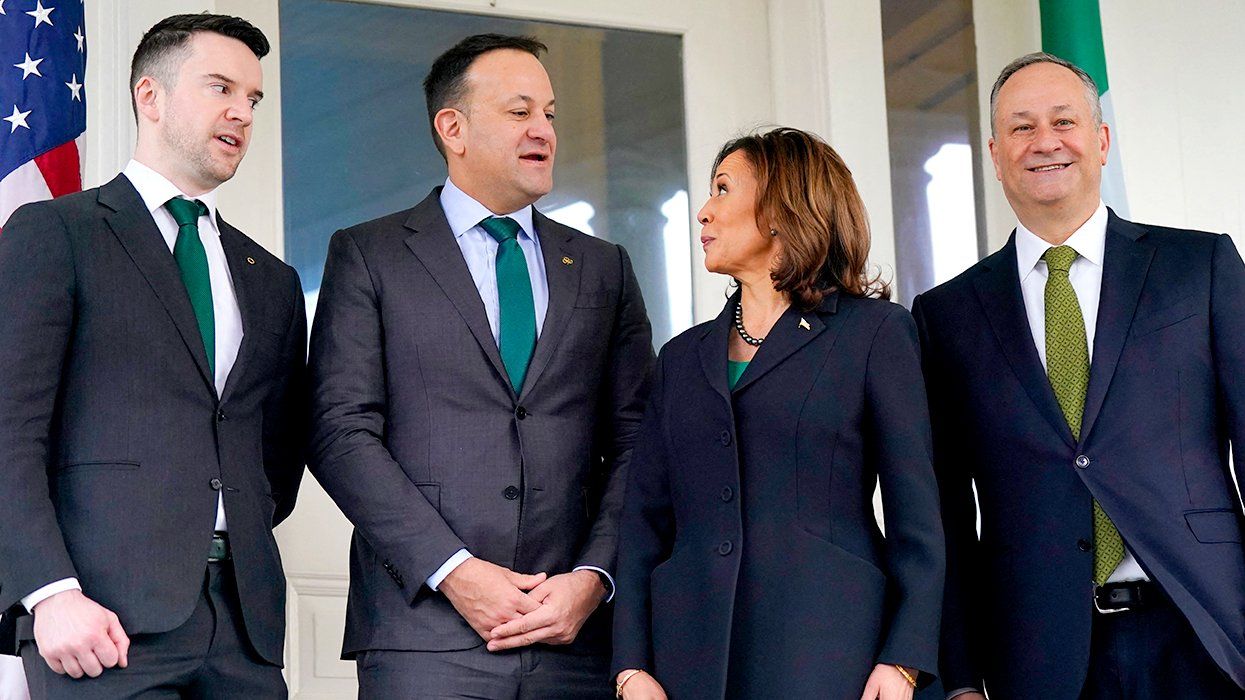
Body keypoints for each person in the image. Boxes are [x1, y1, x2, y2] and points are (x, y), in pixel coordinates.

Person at [307, 33, 654, 697]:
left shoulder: (604, 267)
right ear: (453, 128)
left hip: (576, 635)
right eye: (519, 111)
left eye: (549, 114)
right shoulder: (369, 255)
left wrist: (594, 577)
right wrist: (454, 570)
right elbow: (339, 431)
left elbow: (638, 438)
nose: (543, 131)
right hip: (424, 634)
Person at [913, 52, 1245, 699]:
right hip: (1038, 653)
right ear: (993, 150)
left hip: (1203, 628)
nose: (1044, 142)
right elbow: (944, 514)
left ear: (1099, 140)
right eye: (1020, 127)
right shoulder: (946, 315)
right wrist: (958, 677)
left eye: (1062, 121)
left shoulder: (1198, 266)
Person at [0, 13, 307, 698]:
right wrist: (50, 593)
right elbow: (7, 430)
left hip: (244, 628)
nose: (241, 112)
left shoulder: (274, 280)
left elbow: (274, 458)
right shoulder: (56, 232)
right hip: (98, 622)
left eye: (253, 99)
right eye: (221, 87)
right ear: (151, 96)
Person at [611, 127, 944, 700]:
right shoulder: (681, 358)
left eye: (722, 189)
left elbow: (918, 521)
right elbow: (643, 525)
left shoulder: (876, 334)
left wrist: (904, 659)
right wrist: (630, 668)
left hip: (831, 654)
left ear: (780, 209)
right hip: (686, 663)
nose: (703, 212)